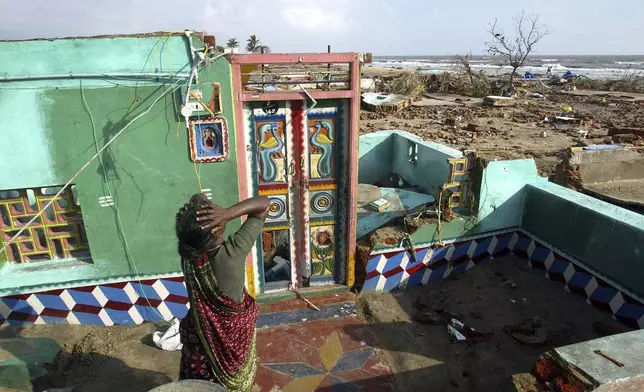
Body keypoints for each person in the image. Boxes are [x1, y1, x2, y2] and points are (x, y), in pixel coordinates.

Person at [175, 193, 269, 391]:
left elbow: (190, 234)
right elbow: (263, 205)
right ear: (218, 228)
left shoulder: (189, 257)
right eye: (215, 212)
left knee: (200, 382)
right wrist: (227, 213)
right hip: (232, 339)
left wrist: (186, 224)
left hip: (200, 333)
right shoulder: (232, 253)